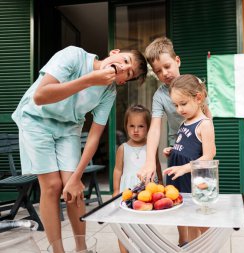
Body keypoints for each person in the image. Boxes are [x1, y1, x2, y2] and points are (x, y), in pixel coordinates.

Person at [11, 46, 147, 253]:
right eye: (125, 60)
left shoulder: (108, 92)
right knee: (52, 185)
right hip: (36, 120)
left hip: (69, 128)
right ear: (114, 52)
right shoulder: (73, 56)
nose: (123, 68)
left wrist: (76, 176)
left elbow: (94, 135)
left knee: (73, 188)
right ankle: (58, 251)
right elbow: (40, 96)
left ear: (121, 81)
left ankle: (82, 249)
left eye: (128, 73)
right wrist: (92, 79)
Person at [137, 37, 212, 245]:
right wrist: (150, 160)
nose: (164, 74)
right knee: (177, 199)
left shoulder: (195, 85)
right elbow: (154, 128)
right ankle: (183, 242)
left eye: (167, 66)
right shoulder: (160, 96)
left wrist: (203, 145)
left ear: (177, 61)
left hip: (197, 151)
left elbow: (208, 117)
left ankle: (204, 244)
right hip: (176, 152)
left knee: (199, 203)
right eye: (158, 71)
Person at [163, 74, 216, 243]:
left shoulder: (204, 124)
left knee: (200, 219)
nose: (179, 109)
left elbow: (209, 155)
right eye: (176, 105)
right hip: (180, 177)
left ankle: (211, 246)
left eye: (183, 104)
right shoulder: (184, 123)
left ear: (198, 98)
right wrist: (173, 150)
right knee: (188, 218)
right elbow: (186, 145)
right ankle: (194, 247)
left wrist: (185, 168)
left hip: (194, 179)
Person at [112, 104, 162, 253]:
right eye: (131, 126)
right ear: (126, 126)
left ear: (148, 128)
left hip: (146, 191)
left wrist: (161, 183)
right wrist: (115, 190)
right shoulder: (123, 148)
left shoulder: (151, 147)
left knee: (145, 225)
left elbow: (157, 165)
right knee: (124, 225)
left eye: (141, 126)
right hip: (127, 192)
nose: (135, 130)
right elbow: (117, 170)